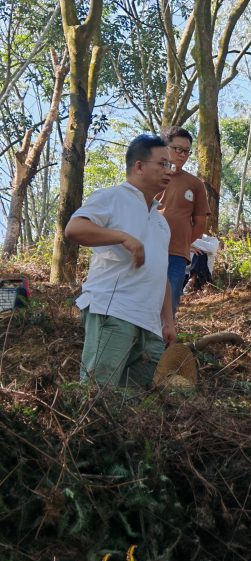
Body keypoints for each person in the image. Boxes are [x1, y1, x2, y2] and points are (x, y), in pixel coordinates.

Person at [65, 134, 177, 386]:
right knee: (97, 393)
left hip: (149, 325)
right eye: (162, 164)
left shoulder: (161, 221)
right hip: (114, 311)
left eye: (170, 165)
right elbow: (74, 229)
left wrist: (168, 322)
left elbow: (161, 273)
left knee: (135, 398)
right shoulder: (112, 197)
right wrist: (123, 237)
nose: (169, 171)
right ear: (139, 166)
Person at [157, 126, 210, 315]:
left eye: (186, 151)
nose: (182, 154)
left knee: (168, 307)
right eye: (177, 149)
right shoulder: (148, 176)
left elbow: (200, 223)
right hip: (146, 250)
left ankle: (164, 334)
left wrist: (183, 242)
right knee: (141, 304)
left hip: (177, 255)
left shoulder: (195, 184)